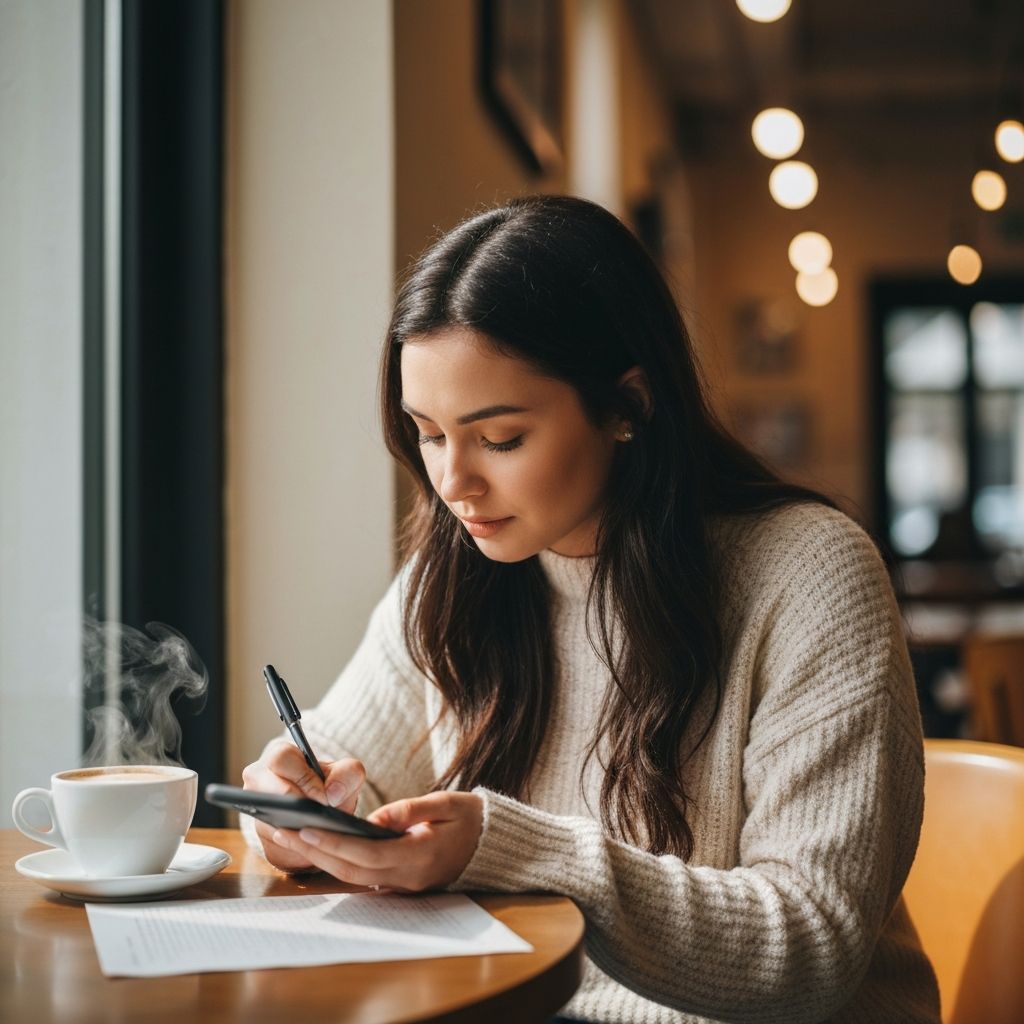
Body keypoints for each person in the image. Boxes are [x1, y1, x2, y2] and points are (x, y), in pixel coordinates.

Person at [241, 195, 940, 1023]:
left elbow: (809, 947)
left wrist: (518, 850)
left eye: (499, 438)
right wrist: (295, 808)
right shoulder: (457, 567)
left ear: (626, 407)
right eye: (428, 433)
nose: (454, 484)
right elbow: (347, 761)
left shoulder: (807, 574)